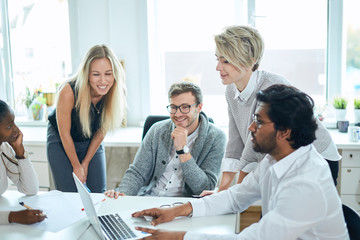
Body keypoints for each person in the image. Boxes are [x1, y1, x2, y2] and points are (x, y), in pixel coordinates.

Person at [131, 84, 349, 240]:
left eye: (259, 122)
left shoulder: (306, 183)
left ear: (284, 132)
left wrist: (178, 237)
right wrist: (177, 210)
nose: (251, 128)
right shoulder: (276, 159)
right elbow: (236, 197)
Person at [201, 25, 340, 196]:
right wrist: (221, 190)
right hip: (283, 158)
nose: (218, 67)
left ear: (250, 61)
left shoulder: (271, 87)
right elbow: (235, 142)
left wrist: (227, 195)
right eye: (218, 59)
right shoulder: (231, 90)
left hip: (317, 157)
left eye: (226, 61)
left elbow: (253, 146)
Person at [104, 82, 226, 197]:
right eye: (173, 107)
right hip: (150, 197)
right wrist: (123, 196)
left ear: (199, 107)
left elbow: (205, 188)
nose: (178, 114)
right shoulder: (157, 130)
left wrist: (183, 150)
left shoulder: (216, 137)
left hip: (184, 206)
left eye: (185, 107)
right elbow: (137, 172)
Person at [47, 44, 127, 193]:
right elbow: (65, 134)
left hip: (90, 139)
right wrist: (76, 166)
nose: (103, 81)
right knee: (70, 195)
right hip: (61, 140)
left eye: (108, 74)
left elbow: (101, 131)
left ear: (115, 74)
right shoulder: (68, 91)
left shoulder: (117, 92)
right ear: (87, 74)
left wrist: (85, 162)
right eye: (96, 74)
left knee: (98, 192)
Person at [0, 100, 46, 225]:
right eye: (9, 126)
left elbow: (30, 189)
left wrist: (20, 153)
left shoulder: (4, 148)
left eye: (14, 122)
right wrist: (12, 217)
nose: (16, 129)